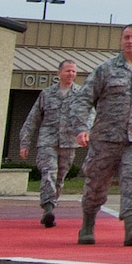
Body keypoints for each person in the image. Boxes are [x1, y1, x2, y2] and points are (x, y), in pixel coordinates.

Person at [76, 24, 132, 246]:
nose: (130, 41)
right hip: (105, 138)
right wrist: (80, 127)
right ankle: (87, 224)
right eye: (126, 37)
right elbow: (84, 99)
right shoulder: (105, 70)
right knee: (96, 183)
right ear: (121, 40)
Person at [19, 61, 92, 226]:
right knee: (48, 172)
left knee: (59, 177)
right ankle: (48, 207)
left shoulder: (81, 94)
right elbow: (32, 119)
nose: (71, 74)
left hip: (68, 142)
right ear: (59, 73)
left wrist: (85, 132)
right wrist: (25, 143)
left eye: (74, 71)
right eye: (68, 71)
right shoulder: (47, 94)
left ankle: (51, 205)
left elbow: (90, 115)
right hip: (48, 140)